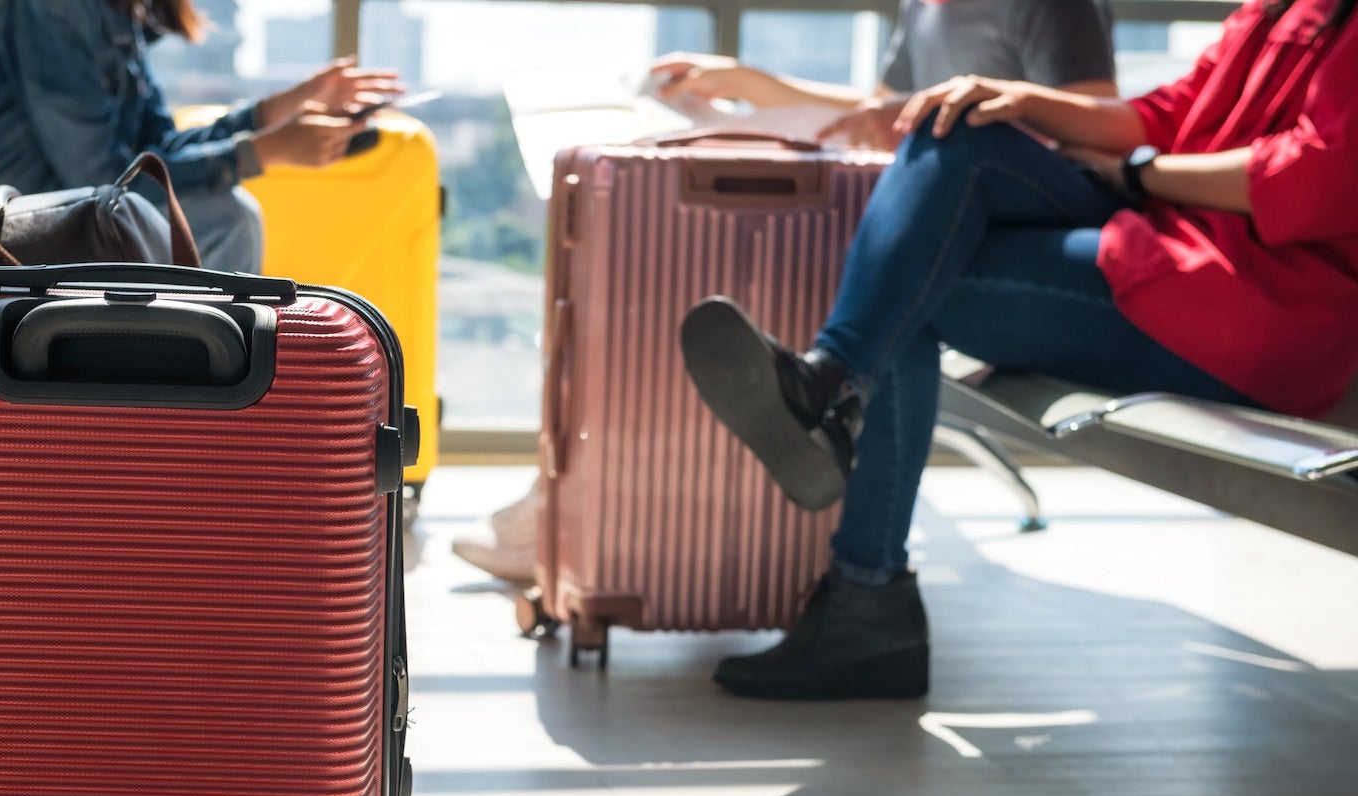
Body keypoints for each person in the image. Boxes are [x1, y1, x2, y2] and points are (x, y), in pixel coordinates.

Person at [676, 0, 1358, 701]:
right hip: (1178, 253)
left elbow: (1315, 177)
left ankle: (855, 536)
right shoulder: (1285, 5)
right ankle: (829, 398)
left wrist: (1137, 176)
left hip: (1252, 312)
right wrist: (1019, 101)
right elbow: (1171, 110)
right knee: (956, 134)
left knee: (909, 283)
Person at [451, 0, 1117, 584]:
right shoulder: (926, 5)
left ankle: (820, 389)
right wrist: (750, 87)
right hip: (958, 213)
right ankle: (856, 576)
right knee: (752, 265)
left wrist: (950, 119)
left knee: (888, 258)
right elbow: (874, 110)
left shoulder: (1052, 4)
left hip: (1041, 219)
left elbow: (1099, 132)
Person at [0, 0, 401, 272]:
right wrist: (264, 151)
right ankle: (201, 423)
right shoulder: (57, 8)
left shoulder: (114, 19)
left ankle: (185, 420)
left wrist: (275, 114)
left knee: (229, 212)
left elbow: (151, 152)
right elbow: (104, 177)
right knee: (231, 215)